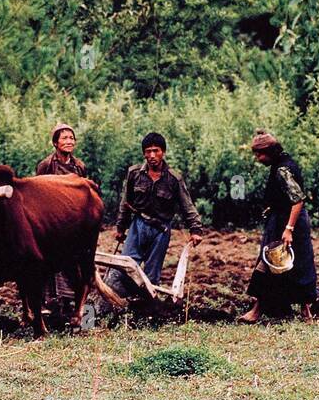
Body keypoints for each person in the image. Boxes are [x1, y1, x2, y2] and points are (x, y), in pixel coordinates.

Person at [107, 132, 204, 299]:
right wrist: (120, 227)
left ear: (163, 152)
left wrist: (196, 229)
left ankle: (145, 307)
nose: (152, 155)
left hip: (161, 230)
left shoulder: (174, 179)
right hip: (138, 225)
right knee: (125, 266)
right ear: (144, 153)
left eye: (156, 151)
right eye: (148, 151)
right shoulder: (134, 173)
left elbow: (187, 205)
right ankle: (116, 301)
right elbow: (126, 202)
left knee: (152, 273)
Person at [238, 131, 318, 324]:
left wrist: (288, 228)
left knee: (278, 263)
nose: (257, 159)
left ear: (271, 151)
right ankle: (262, 309)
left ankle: (303, 312)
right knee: (282, 263)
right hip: (286, 219)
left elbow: (298, 200)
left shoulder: (283, 170)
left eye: (260, 154)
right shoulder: (281, 164)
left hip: (289, 222)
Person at [36, 124, 91, 321]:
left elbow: (85, 195)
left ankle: (82, 315)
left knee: (79, 266)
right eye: (64, 138)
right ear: (55, 143)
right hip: (52, 222)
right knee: (48, 265)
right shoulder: (46, 165)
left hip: (74, 223)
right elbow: (38, 193)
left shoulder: (79, 166)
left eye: (71, 138)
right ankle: (49, 307)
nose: (69, 141)